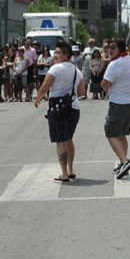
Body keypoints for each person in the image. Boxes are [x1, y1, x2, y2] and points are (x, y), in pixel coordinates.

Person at [34, 41, 85, 183]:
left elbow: (44, 87)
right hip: (74, 108)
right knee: (68, 139)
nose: (55, 55)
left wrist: (37, 99)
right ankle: (70, 170)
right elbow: (82, 92)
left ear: (66, 55)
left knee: (61, 140)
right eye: (54, 53)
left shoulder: (55, 69)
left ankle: (64, 174)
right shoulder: (77, 71)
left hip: (58, 109)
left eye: (58, 53)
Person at [101, 39, 130, 178]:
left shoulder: (114, 64)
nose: (110, 50)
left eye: (113, 48)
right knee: (121, 134)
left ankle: (124, 161)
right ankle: (123, 162)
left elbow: (104, 85)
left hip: (119, 103)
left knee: (110, 131)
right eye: (108, 47)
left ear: (120, 49)